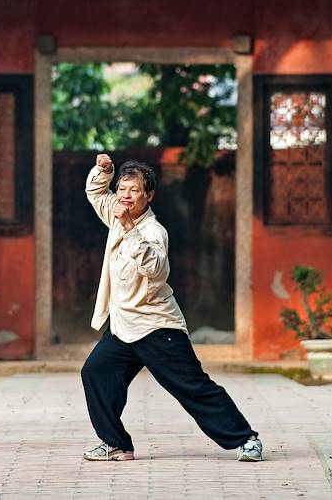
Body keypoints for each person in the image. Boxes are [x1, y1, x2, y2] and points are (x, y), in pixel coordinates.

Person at [80, 153, 262, 462]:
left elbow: (156, 269)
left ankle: (246, 439)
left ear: (148, 195)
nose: (125, 195)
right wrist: (104, 171)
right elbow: (96, 193)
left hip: (156, 326)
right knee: (96, 372)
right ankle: (116, 444)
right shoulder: (116, 213)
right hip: (123, 327)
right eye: (122, 188)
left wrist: (129, 229)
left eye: (134, 190)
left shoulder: (153, 231)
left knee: (192, 386)